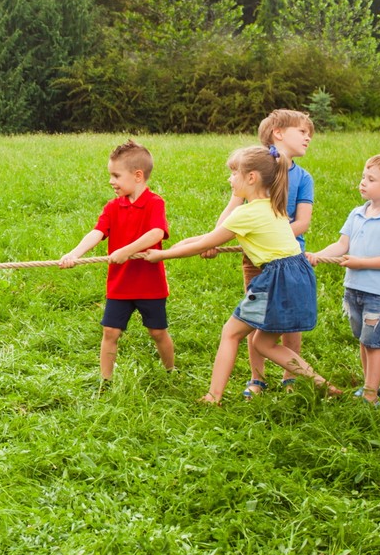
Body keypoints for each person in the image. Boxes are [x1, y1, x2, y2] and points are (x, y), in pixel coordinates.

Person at [142, 145, 339, 403]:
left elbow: (207, 243)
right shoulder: (275, 207)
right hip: (297, 275)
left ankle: (214, 395)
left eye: (234, 173)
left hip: (276, 280)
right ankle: (322, 384)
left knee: (231, 333)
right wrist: (182, 243)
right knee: (264, 343)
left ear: (251, 177)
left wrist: (161, 255)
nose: (230, 178)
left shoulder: (245, 213)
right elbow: (210, 238)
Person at [203, 110, 315, 397]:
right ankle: (257, 379)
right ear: (278, 133)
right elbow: (234, 206)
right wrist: (213, 239)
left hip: (289, 258)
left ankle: (291, 378)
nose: (308, 136)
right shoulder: (254, 167)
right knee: (255, 319)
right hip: (256, 259)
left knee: (291, 324)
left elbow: (302, 222)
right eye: (302, 131)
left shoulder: (303, 177)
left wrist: (274, 238)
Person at [59, 139, 175, 384]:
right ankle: (106, 380)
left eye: (116, 175)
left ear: (138, 175)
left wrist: (126, 250)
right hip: (120, 285)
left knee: (157, 332)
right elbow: (97, 232)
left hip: (149, 285)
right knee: (110, 331)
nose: (111, 181)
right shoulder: (113, 207)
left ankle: (170, 371)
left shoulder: (155, 203)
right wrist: (74, 254)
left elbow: (156, 233)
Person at [307, 154, 380, 405]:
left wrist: (361, 262)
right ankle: (368, 384)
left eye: (371, 179)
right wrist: (318, 255)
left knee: (374, 343)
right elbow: (343, 243)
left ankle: (371, 393)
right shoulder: (357, 213)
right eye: (364, 177)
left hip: (377, 293)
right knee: (363, 341)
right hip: (353, 288)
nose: (363, 182)